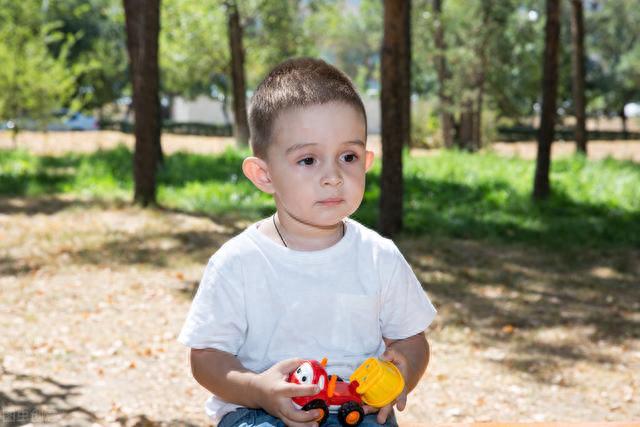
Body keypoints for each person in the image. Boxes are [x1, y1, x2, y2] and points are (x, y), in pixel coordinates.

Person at [178, 57, 437, 427]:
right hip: (260, 412)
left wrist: (404, 372)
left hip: (357, 410)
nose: (332, 176)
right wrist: (257, 389)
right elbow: (206, 357)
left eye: (348, 156)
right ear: (264, 174)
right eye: (308, 160)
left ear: (367, 161)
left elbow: (412, 340)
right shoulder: (238, 262)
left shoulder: (379, 256)